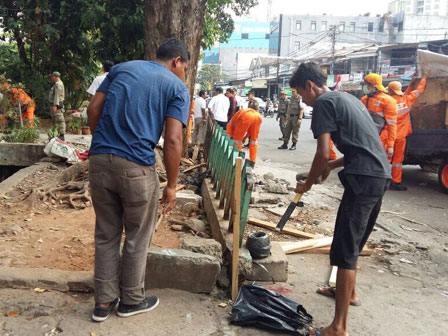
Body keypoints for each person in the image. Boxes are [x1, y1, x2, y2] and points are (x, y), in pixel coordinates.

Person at [87, 38, 190, 322]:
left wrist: (104, 143)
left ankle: (103, 302)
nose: (183, 74)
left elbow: (93, 109)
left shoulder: (121, 69)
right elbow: (172, 139)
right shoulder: (176, 86)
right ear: (177, 61)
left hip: (99, 161)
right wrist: (171, 184)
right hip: (136, 167)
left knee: (106, 233)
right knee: (137, 236)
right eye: (184, 68)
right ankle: (131, 299)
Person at [290, 63, 390, 336]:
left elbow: (322, 152)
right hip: (379, 175)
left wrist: (308, 183)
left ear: (310, 85)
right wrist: (331, 168)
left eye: (300, 93)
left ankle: (338, 328)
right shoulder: (349, 98)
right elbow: (362, 147)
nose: (303, 100)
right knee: (354, 241)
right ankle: (349, 292)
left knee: (345, 248)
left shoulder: (323, 103)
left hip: (362, 179)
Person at [386, 76, 427, 191]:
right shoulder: (407, 100)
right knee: (397, 160)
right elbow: (418, 91)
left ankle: (382, 180)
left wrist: (411, 83)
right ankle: (396, 182)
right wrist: (424, 78)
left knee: (386, 159)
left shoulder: (387, 102)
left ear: (390, 91)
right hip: (401, 136)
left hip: (389, 135)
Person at [361, 73, 397, 161]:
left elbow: (392, 125)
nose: (366, 88)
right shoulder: (364, 99)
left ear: (374, 86)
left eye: (367, 86)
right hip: (366, 138)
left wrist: (390, 145)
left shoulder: (388, 100)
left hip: (381, 139)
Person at [49, 71, 66, 140]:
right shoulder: (58, 83)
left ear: (55, 77)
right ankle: (57, 135)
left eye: (52, 77)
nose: (51, 78)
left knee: (59, 120)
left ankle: (61, 136)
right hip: (57, 105)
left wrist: (55, 105)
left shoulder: (57, 84)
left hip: (57, 105)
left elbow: (57, 95)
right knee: (56, 120)